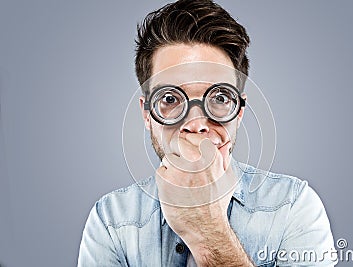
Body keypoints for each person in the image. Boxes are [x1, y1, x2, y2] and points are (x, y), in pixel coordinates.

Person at [78, 0, 336, 266]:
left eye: (220, 97)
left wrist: (208, 231)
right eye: (170, 98)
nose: (196, 123)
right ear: (146, 114)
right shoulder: (110, 220)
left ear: (239, 111)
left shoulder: (294, 206)